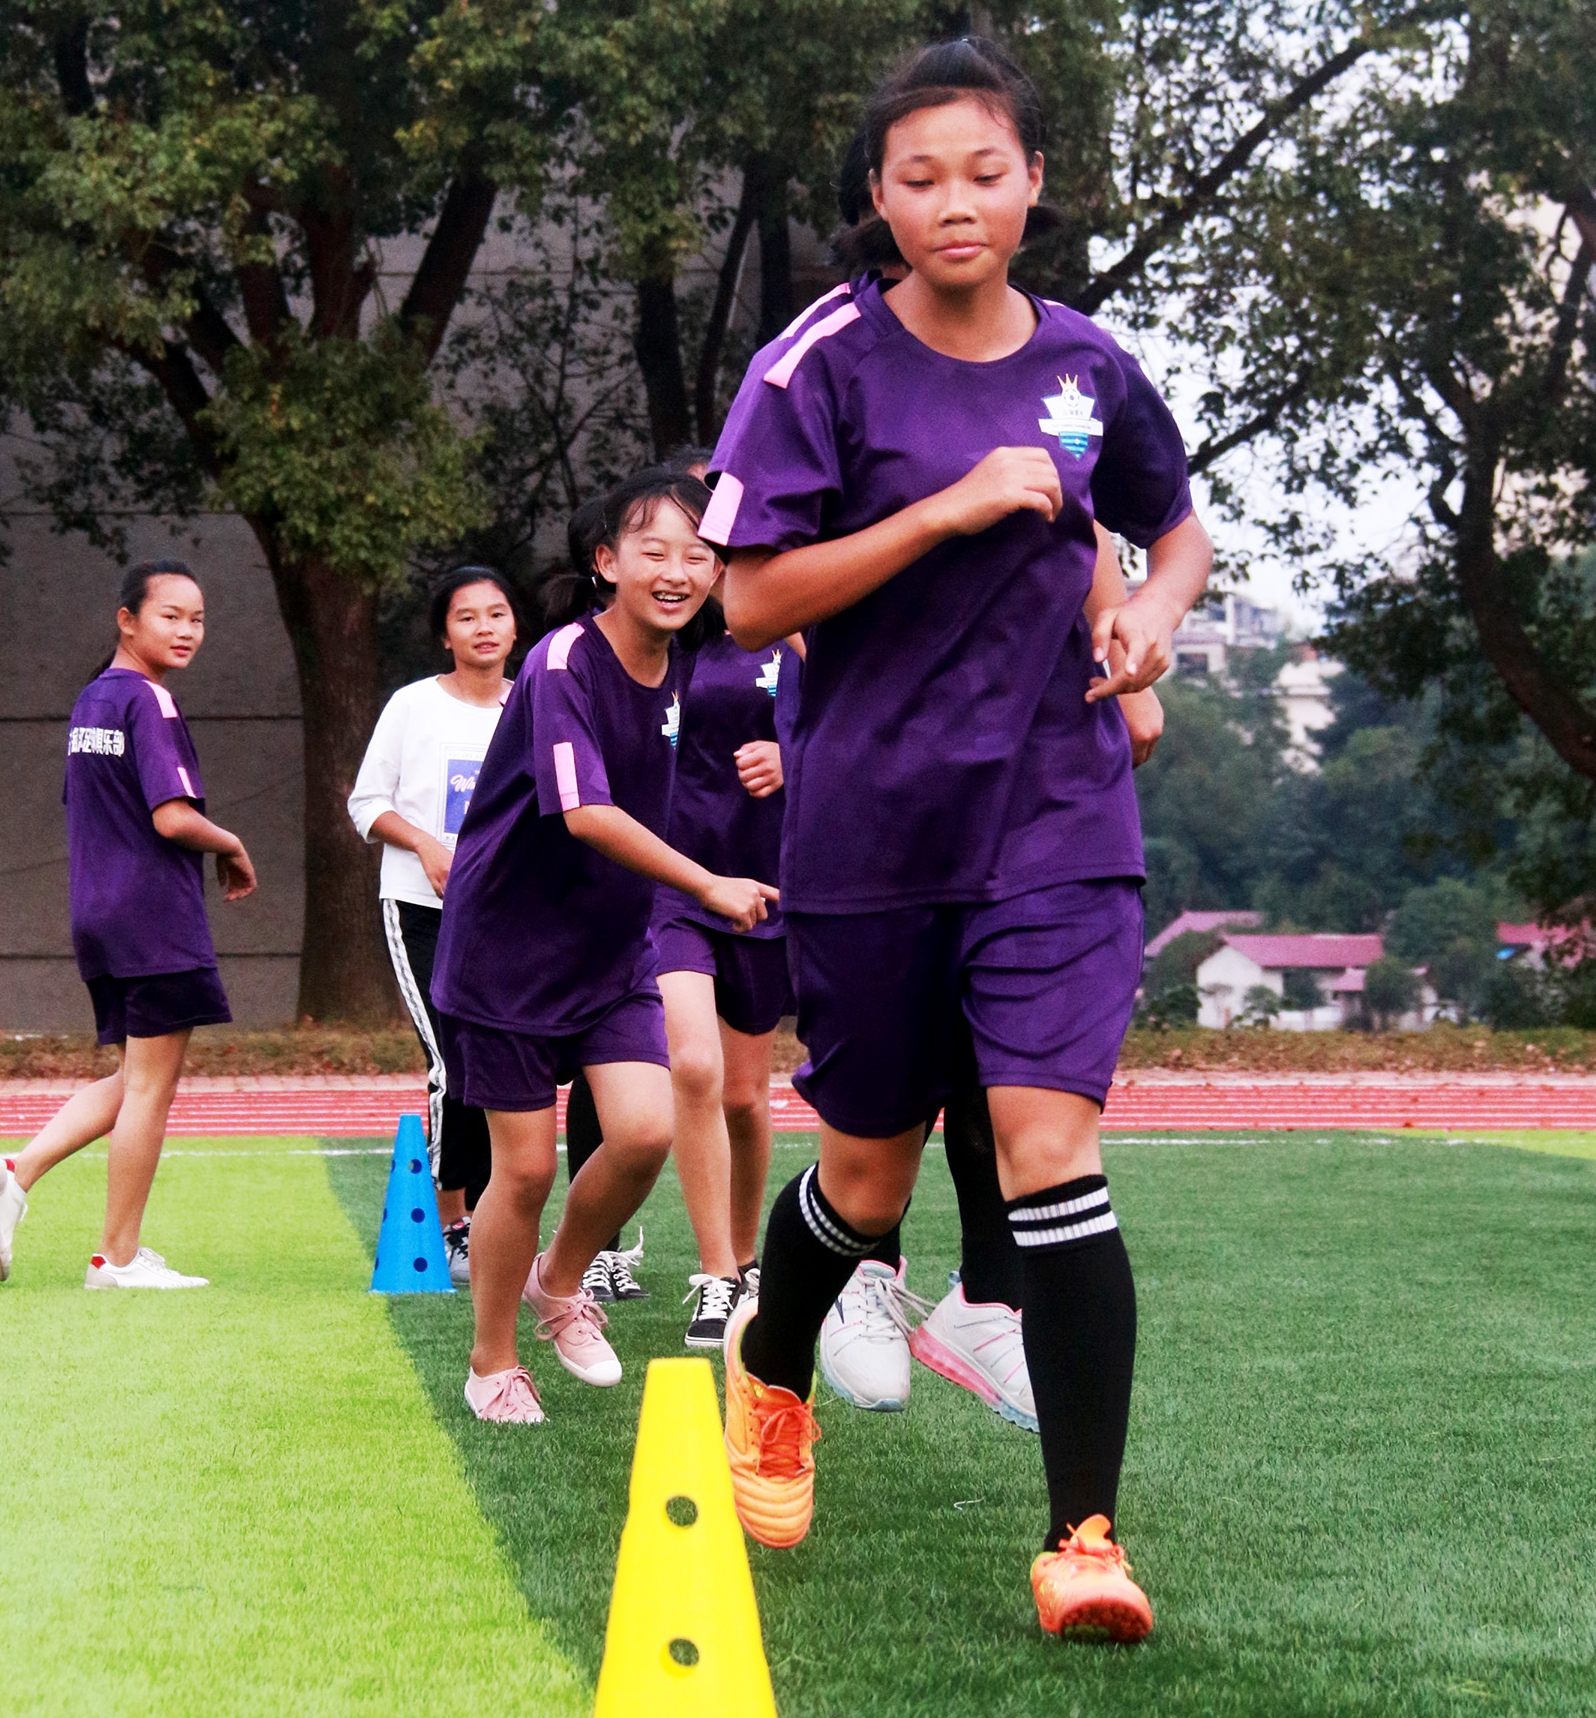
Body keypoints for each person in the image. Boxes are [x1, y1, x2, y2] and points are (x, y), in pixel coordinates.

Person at [702, 32, 1211, 1641]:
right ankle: (771, 1365)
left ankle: (1084, 1537)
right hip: (872, 826)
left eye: (985, 170)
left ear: (1035, 180)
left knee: (1052, 1148)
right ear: (878, 196)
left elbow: (1172, 523)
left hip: (1057, 813)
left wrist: (1145, 611)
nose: (955, 201)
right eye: (919, 177)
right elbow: (748, 596)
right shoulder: (817, 366)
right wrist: (943, 506)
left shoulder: (1091, 366)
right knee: (864, 1171)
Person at [430, 468, 778, 1424]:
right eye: (653, 549)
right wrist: (705, 881)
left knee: (644, 1128)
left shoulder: (687, 662)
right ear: (604, 561)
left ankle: (558, 1281)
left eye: (698, 552)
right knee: (528, 1168)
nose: (678, 569)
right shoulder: (562, 662)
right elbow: (583, 811)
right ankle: (490, 1362)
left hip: (609, 949)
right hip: (505, 952)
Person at [820, 534, 1167, 1417]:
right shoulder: (842, 406)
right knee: (877, 1122)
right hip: (879, 788)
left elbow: (1106, 517)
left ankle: (986, 1298)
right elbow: (769, 594)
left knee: (1012, 1076)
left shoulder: (1068, 405)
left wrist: (1122, 624)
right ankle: (844, 1284)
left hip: (1025, 793)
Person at [0, 561, 257, 1291]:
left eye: (196, 619)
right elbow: (171, 815)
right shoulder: (149, 702)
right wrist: (231, 842)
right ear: (126, 619)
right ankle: (116, 1257)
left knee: (133, 1076)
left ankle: (15, 1172)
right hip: (153, 915)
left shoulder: (91, 700)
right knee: (151, 1088)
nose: (186, 630)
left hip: (99, 912)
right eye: (170, 615)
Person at [348, 565, 520, 1283]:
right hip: (420, 908)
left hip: (510, 916)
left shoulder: (535, 704)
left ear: (515, 626)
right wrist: (425, 843)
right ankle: (453, 1221)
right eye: (465, 616)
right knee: (452, 1064)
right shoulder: (412, 706)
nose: (483, 626)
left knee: (501, 1067)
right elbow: (366, 804)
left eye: (496, 612)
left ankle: (493, 1214)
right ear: (444, 634)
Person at [652, 601, 805, 1351]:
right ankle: (716, 1272)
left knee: (744, 1096)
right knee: (692, 1066)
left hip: (769, 888)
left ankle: (744, 1259)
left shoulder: (808, 631)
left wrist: (794, 756)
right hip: (676, 885)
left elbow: (879, 735)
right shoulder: (657, 647)